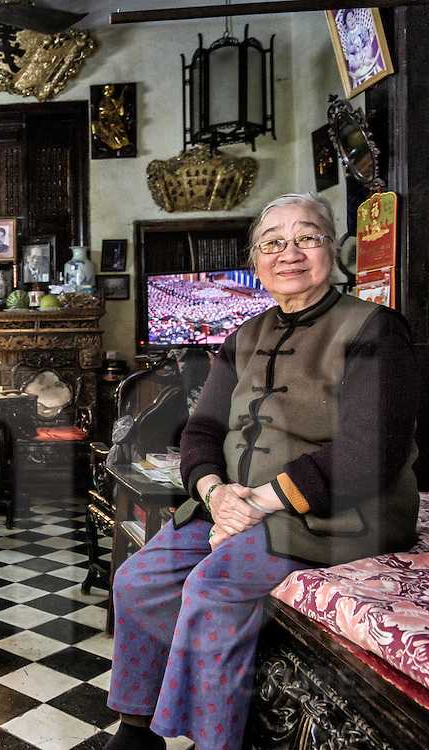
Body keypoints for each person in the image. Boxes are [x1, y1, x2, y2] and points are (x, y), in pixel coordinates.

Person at [106, 192, 418, 750]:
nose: (289, 253)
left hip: (339, 515)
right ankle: (136, 728)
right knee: (138, 579)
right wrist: (215, 491)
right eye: (273, 243)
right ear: (255, 261)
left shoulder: (375, 329)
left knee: (214, 586)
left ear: (333, 251)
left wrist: (258, 503)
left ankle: (213, 741)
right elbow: (200, 431)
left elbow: (372, 450)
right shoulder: (243, 336)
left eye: (307, 238)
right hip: (239, 504)